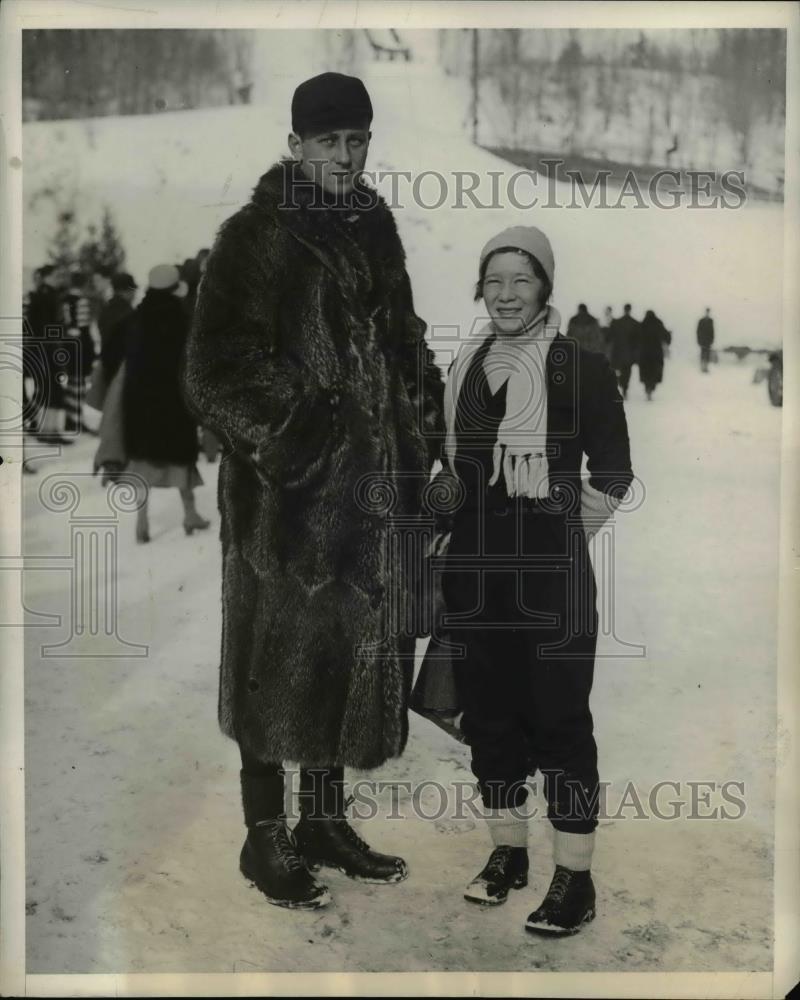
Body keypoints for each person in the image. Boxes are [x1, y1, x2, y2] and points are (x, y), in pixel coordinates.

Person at [182, 72, 445, 911]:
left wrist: (426, 434)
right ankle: (265, 837)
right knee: (270, 662)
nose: (344, 154)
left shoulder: (377, 227)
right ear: (295, 145)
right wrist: (307, 435)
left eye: (356, 139)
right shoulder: (255, 237)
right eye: (328, 140)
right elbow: (214, 372)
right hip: (286, 505)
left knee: (345, 651)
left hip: (375, 498)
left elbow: (405, 341)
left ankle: (323, 820)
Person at [436, 226, 632, 936]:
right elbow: (452, 468)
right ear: (480, 289)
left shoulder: (579, 365)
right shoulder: (464, 364)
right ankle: (508, 854)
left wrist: (560, 536)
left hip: (551, 581)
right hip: (475, 575)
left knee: (559, 723)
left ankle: (574, 879)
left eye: (522, 280)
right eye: (495, 282)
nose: (507, 295)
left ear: (545, 286)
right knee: (488, 719)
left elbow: (613, 470)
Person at [123, 264, 210, 543]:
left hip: (140, 401)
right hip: (173, 400)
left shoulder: (138, 317)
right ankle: (189, 514)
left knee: (143, 461)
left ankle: (142, 522)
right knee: (181, 458)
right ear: (175, 289)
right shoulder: (181, 318)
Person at [60, 271, 96, 433]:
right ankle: (76, 420)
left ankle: (71, 419)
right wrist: (91, 350)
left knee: (71, 383)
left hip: (67, 343)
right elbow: (84, 328)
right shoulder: (82, 301)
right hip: (80, 345)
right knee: (79, 384)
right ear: (84, 283)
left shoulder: (64, 300)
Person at [607, 303, 640, 399]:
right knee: (627, 372)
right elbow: (638, 341)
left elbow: (609, 337)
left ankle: (621, 384)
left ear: (624, 309)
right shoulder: (635, 323)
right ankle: (625, 388)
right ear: (630, 310)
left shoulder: (617, 322)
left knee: (619, 370)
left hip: (618, 352)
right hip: (629, 353)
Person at [638, 309, 671, 400]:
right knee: (654, 371)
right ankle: (651, 388)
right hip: (656, 353)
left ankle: (647, 388)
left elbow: (637, 337)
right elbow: (666, 335)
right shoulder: (658, 323)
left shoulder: (643, 324)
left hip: (644, 353)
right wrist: (667, 342)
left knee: (646, 372)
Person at [697, 307, 714, 373]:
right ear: (705, 312)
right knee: (702, 353)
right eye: (707, 312)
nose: (707, 313)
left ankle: (706, 368)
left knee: (707, 354)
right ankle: (702, 368)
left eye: (708, 312)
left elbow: (712, 331)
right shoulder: (701, 321)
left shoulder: (711, 321)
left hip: (708, 341)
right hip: (702, 340)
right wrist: (699, 340)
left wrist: (712, 340)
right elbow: (698, 331)